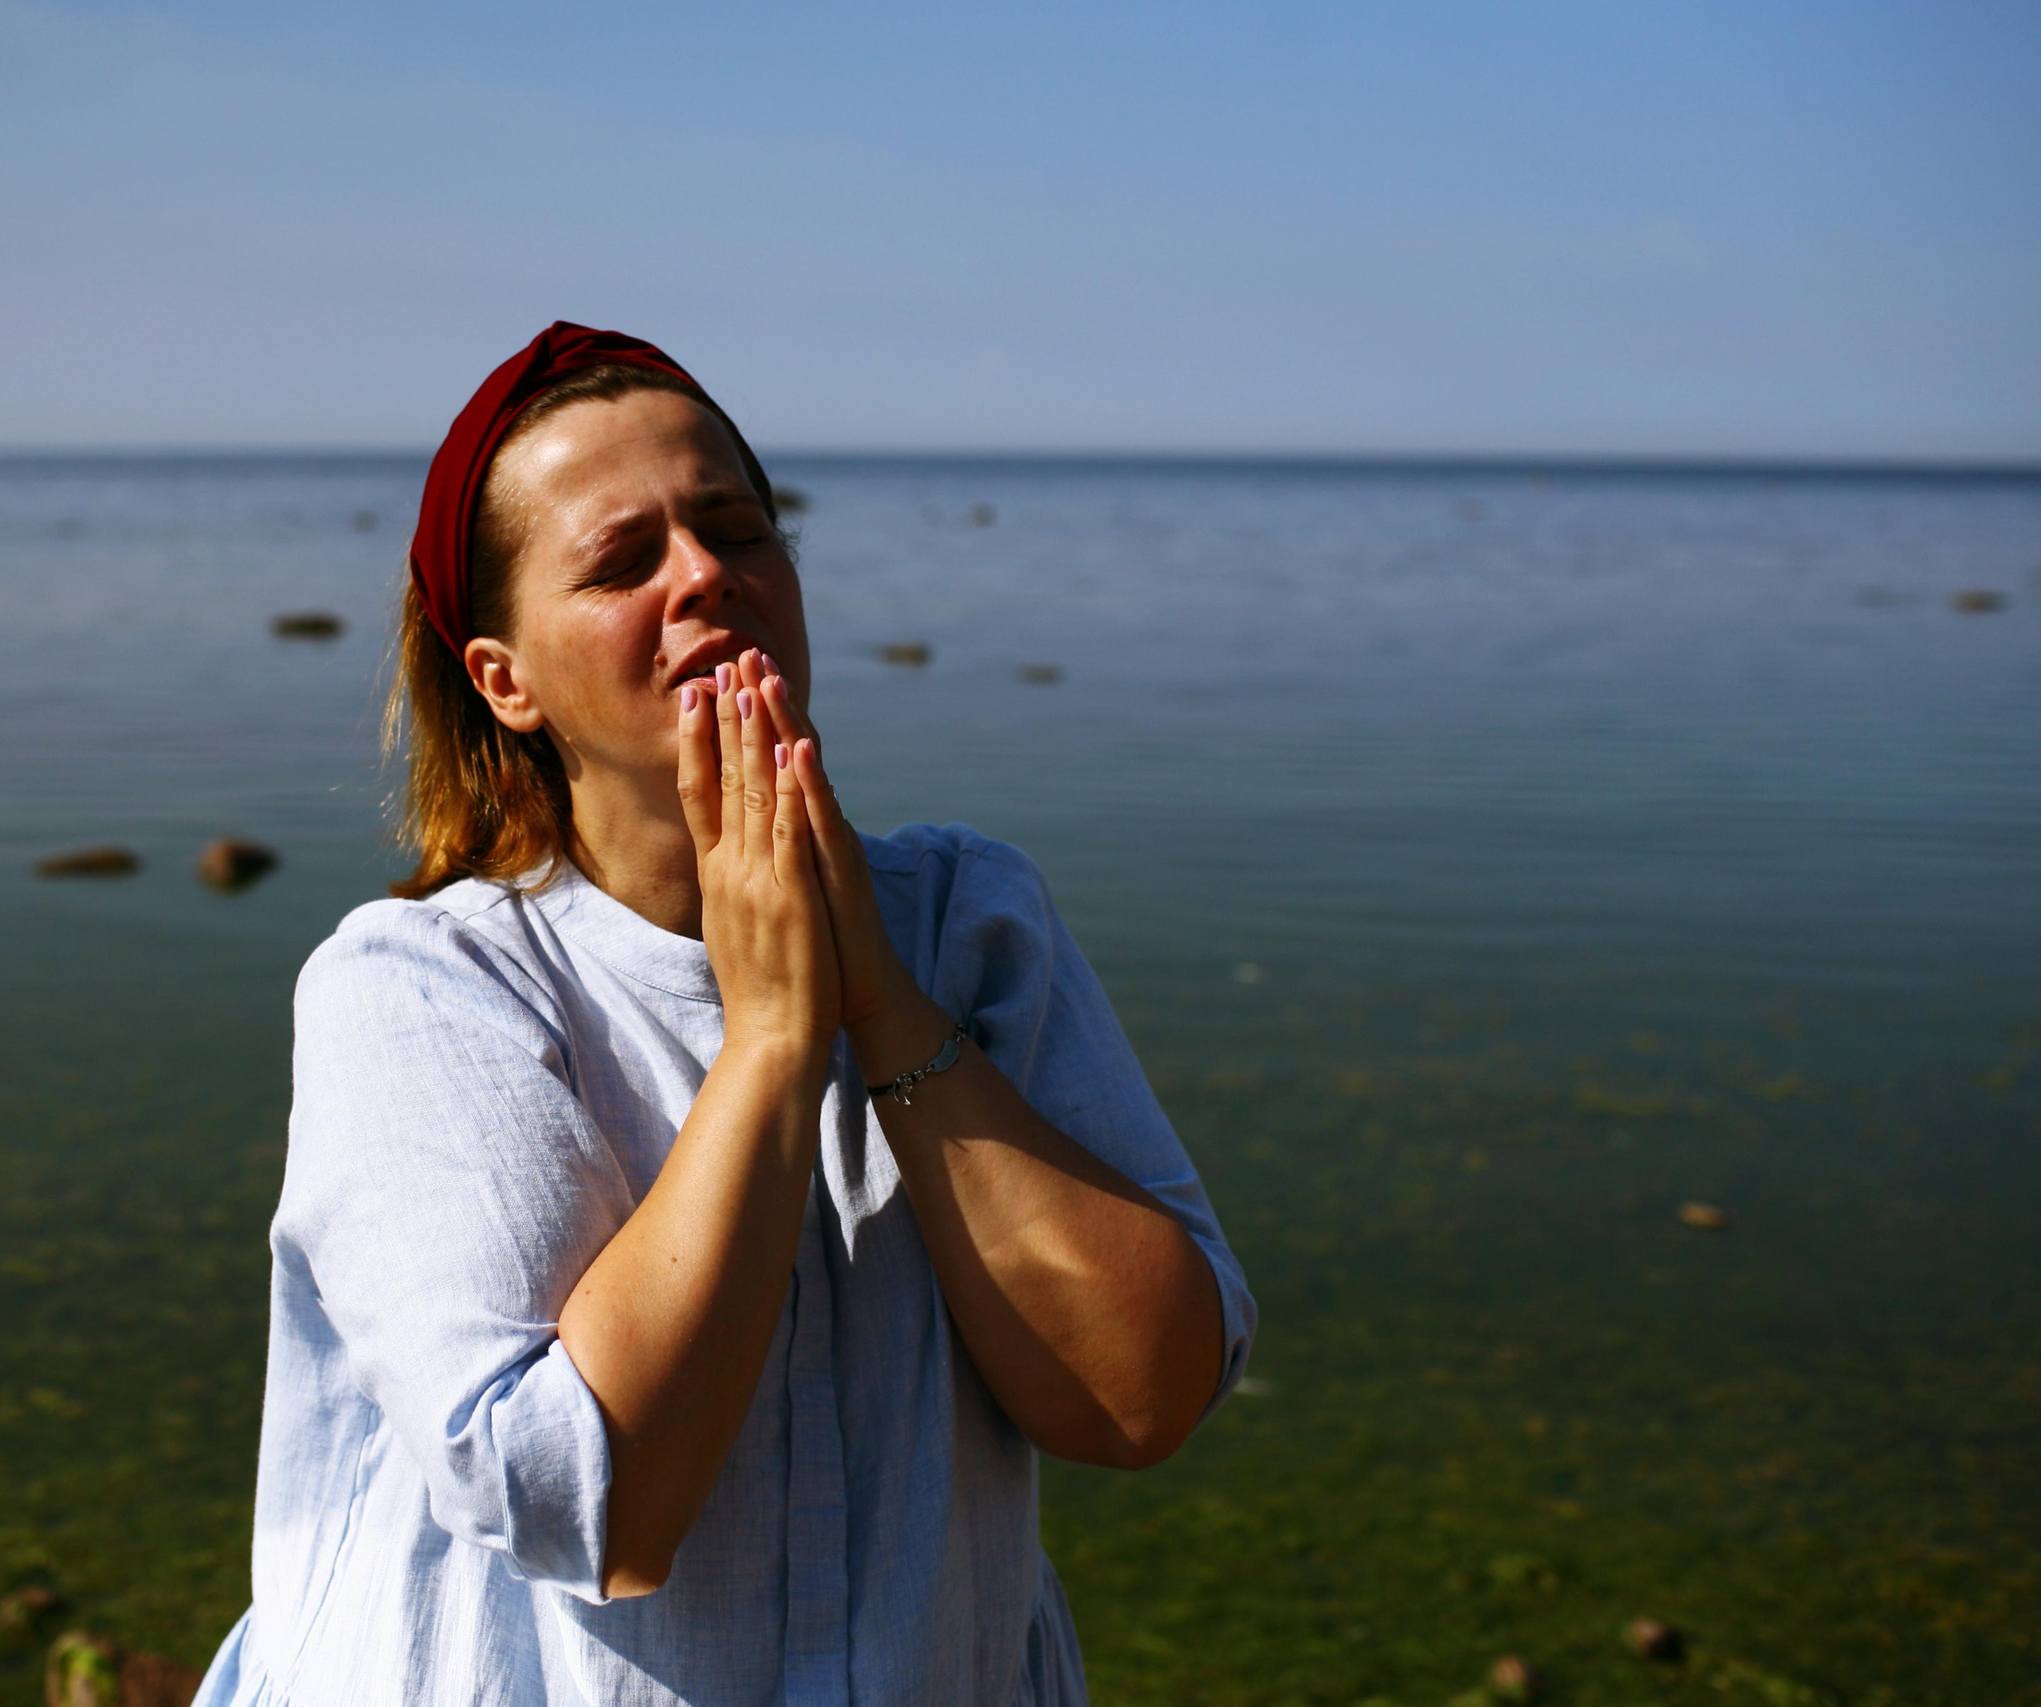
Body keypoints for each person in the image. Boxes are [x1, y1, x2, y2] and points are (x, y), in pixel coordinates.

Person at [191, 323, 1254, 1706]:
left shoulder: (966, 921)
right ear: (505, 681)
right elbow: (596, 1507)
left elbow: (1141, 1396)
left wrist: (874, 991)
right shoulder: (419, 989)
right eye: (623, 561)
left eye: (737, 529)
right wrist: (768, 1042)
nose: (706, 577)